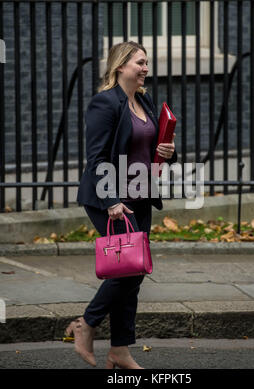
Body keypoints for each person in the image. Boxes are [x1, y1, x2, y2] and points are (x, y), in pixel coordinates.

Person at [65, 41, 177, 369]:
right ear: (120, 66)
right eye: (140, 63)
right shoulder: (105, 103)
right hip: (110, 199)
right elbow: (96, 157)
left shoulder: (143, 100)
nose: (146, 69)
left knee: (136, 271)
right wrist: (112, 199)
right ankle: (86, 324)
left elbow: (153, 147)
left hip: (140, 196)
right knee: (126, 269)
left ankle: (120, 350)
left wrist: (170, 153)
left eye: (146, 63)